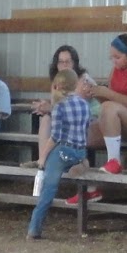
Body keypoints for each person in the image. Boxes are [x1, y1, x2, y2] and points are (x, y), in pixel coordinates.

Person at [77, 33, 127, 179]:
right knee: (82, 133)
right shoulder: (115, 70)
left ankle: (114, 160)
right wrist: (95, 93)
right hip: (118, 117)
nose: (114, 61)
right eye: (111, 57)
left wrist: (107, 93)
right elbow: (108, 104)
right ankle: (82, 178)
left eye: (118, 57)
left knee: (108, 107)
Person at [26, 69, 92, 241]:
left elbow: (55, 137)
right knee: (75, 157)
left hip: (63, 150)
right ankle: (81, 163)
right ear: (75, 84)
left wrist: (42, 157)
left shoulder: (59, 107)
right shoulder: (84, 104)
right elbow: (86, 129)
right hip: (79, 148)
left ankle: (34, 228)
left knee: (48, 189)